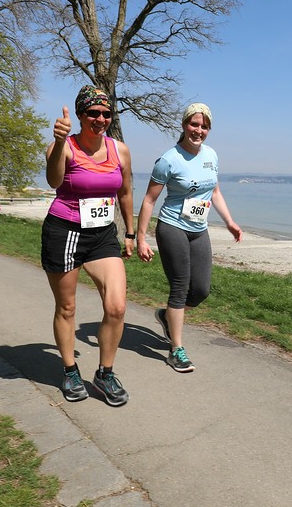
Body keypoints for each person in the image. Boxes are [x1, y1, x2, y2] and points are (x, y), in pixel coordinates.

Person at [42, 85, 135, 405]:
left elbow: (125, 192)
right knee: (67, 307)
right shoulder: (63, 146)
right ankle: (69, 371)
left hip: (102, 235)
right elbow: (54, 181)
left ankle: (104, 373)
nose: (100, 118)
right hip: (65, 230)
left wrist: (131, 233)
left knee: (117, 306)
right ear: (81, 115)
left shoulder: (119, 150)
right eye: (93, 113)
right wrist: (57, 142)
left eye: (106, 113)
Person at [136, 102, 242, 372]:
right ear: (184, 125)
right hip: (172, 227)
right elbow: (149, 200)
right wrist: (140, 238)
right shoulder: (169, 159)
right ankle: (176, 350)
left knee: (201, 291)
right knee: (180, 287)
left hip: (199, 229)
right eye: (194, 124)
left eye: (204, 126)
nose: (199, 130)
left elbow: (215, 192)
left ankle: (167, 316)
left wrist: (229, 222)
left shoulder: (212, 156)